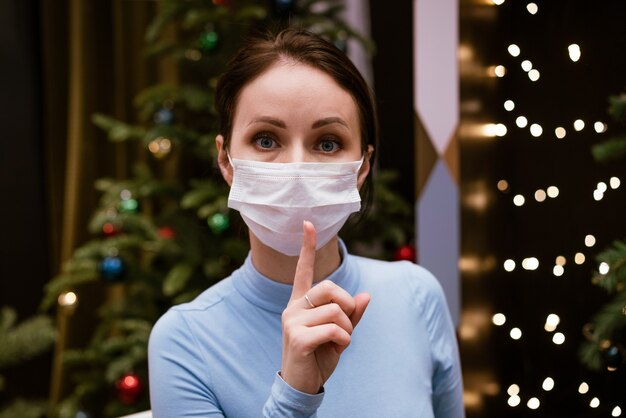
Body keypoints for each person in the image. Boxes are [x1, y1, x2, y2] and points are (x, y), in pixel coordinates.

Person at [148, 27, 464, 418]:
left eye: (327, 143)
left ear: (362, 166)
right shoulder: (184, 341)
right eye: (266, 140)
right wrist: (294, 393)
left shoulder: (418, 296)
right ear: (226, 159)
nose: (297, 168)